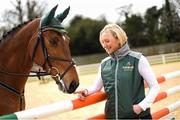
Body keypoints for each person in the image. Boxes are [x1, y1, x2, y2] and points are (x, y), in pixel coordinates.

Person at [75, 23, 160, 119]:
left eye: (107, 41)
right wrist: (86, 91)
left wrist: (141, 107)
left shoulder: (138, 59)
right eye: (102, 42)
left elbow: (155, 87)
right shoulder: (104, 64)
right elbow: (96, 87)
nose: (104, 45)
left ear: (119, 39)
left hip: (137, 117)